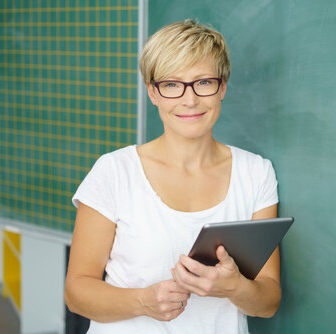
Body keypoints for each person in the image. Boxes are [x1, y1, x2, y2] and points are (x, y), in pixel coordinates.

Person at [64, 19, 281, 333]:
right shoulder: (114, 171)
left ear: (222, 87)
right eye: (171, 84)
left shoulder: (256, 173)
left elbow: (268, 300)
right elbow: (76, 292)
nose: (189, 99)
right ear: (153, 93)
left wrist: (234, 287)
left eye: (203, 82)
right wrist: (142, 301)